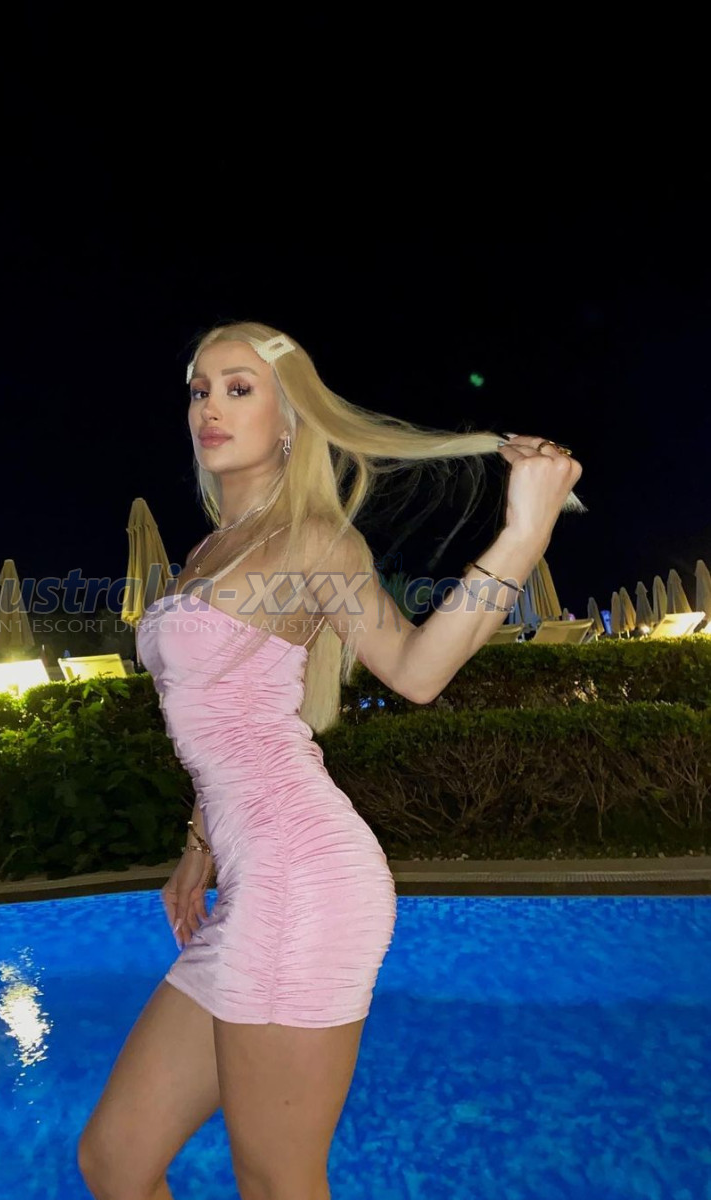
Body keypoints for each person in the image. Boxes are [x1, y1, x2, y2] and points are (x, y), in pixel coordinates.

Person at [77, 321, 584, 1200]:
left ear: (289, 420)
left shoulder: (314, 540)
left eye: (238, 388)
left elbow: (416, 672)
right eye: (199, 390)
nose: (209, 407)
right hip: (250, 879)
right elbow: (232, 717)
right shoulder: (206, 551)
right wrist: (198, 845)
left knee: (275, 1179)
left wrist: (523, 532)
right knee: (115, 1160)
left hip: (303, 883)